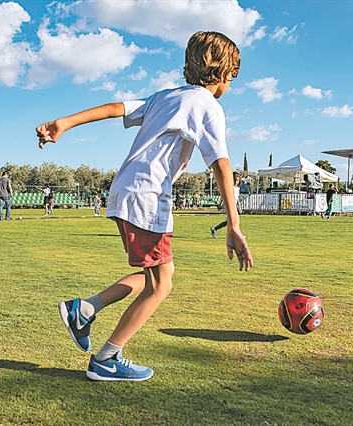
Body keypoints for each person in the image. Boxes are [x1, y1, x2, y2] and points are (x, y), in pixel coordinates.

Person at [35, 31, 252, 382]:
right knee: (160, 285)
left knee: (157, 276)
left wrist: (65, 122)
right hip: (148, 195)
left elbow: (116, 108)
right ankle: (107, 358)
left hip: (125, 191)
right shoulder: (208, 105)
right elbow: (221, 165)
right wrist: (234, 224)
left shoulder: (165, 96)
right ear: (225, 74)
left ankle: (85, 309)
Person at [211, 171, 241, 238]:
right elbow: (224, 196)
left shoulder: (237, 188)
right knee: (235, 220)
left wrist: (239, 206)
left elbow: (237, 198)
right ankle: (235, 235)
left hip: (234, 206)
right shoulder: (230, 187)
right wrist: (221, 204)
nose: (236, 182)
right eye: (235, 180)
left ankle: (215, 229)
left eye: (238, 180)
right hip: (229, 206)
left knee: (230, 221)